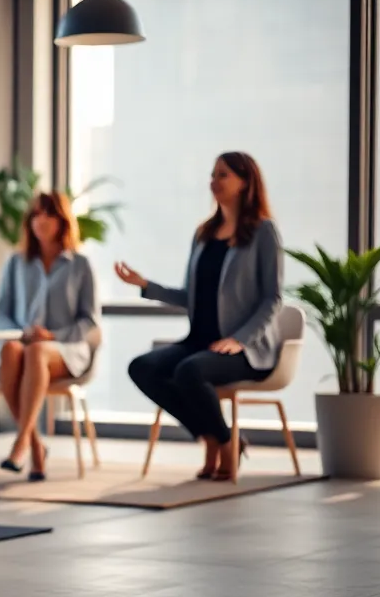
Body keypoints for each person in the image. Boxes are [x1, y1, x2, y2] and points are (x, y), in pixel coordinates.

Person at [115, 151, 284, 482]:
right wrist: (146, 285)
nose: (213, 181)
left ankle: (220, 443)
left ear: (245, 182)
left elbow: (273, 298)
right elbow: (188, 296)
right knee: (142, 367)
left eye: (223, 175)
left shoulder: (264, 232)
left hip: (244, 348)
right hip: (199, 340)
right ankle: (219, 438)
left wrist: (239, 340)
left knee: (189, 371)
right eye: (213, 174)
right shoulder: (204, 234)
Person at [0, 191, 101, 481]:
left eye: (48, 214)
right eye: (35, 214)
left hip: (66, 349)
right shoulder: (17, 263)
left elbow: (89, 322)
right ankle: (35, 446)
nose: (40, 221)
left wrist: (52, 335)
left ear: (62, 221)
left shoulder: (80, 265)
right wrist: (21, 333)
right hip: (24, 346)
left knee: (37, 351)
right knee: (12, 350)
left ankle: (21, 442)